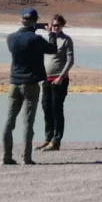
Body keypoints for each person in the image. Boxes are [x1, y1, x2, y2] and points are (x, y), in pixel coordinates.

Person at [3, 7, 57, 166]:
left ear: (21, 20)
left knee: (9, 121)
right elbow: (52, 49)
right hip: (30, 85)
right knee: (28, 123)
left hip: (14, 83)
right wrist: (51, 34)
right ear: (34, 21)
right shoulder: (35, 39)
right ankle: (26, 158)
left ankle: (6, 156)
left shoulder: (10, 38)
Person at [37, 14, 74, 152]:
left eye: (58, 25)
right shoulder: (48, 40)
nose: (55, 27)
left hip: (59, 80)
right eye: (53, 25)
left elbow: (70, 60)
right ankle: (48, 138)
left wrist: (61, 77)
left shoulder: (66, 40)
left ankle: (56, 141)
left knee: (56, 109)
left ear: (62, 26)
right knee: (46, 108)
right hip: (46, 79)